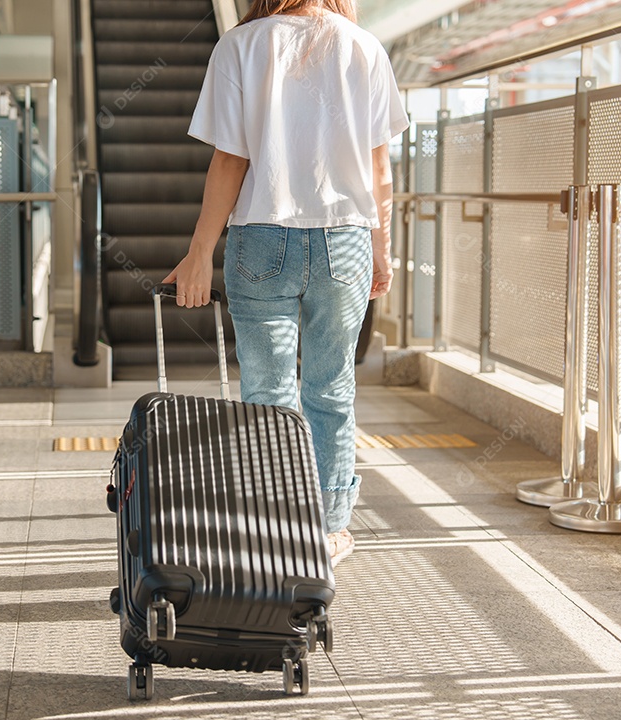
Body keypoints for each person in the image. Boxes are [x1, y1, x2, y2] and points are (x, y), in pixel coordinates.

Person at [163, 0, 409, 567]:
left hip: (261, 238)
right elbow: (380, 171)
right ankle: (326, 530)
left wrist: (200, 253)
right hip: (345, 238)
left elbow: (230, 161)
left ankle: (273, 528)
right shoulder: (364, 47)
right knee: (331, 388)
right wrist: (382, 250)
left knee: (268, 393)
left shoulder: (241, 45)